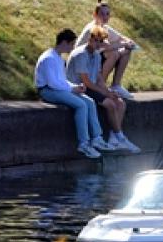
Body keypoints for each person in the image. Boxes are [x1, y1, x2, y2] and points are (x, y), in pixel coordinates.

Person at [34, 29, 113, 159]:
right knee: (81, 105)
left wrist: (75, 86)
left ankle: (97, 138)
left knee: (89, 101)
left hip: (58, 89)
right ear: (64, 42)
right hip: (47, 91)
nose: (72, 47)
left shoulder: (58, 57)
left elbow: (62, 81)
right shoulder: (48, 58)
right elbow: (53, 83)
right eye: (71, 44)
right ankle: (83, 143)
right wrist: (72, 90)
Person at [66, 26, 141, 153]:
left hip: (91, 86)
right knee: (110, 104)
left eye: (101, 41)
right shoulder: (81, 54)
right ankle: (120, 137)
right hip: (79, 87)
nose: (99, 44)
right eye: (97, 40)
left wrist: (108, 91)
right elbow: (87, 82)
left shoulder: (96, 55)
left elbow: (99, 77)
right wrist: (104, 93)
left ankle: (114, 138)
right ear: (90, 39)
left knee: (120, 103)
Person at [76, 0, 137, 100]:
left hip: (95, 60)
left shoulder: (105, 27)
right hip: (85, 64)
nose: (105, 17)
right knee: (113, 53)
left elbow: (121, 38)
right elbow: (106, 46)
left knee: (126, 51)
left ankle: (116, 85)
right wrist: (123, 44)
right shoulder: (93, 28)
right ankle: (100, 85)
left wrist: (129, 42)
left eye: (107, 14)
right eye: (102, 14)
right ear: (95, 15)